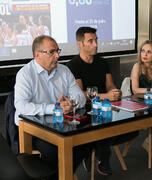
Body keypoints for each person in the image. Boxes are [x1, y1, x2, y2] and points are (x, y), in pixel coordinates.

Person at [14, 35, 93, 173]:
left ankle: (61, 175)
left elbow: (80, 96)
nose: (57, 56)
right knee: (54, 151)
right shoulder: (25, 74)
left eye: (58, 51)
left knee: (87, 141)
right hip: (34, 129)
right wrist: (54, 108)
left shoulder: (64, 70)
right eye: (52, 52)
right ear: (37, 55)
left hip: (61, 125)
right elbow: (21, 107)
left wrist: (71, 103)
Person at [67, 26, 138, 176]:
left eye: (96, 40)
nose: (96, 44)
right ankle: (102, 157)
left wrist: (115, 92)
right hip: (85, 110)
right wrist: (106, 96)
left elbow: (110, 85)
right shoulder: (73, 65)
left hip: (106, 107)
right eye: (90, 41)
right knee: (101, 127)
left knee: (133, 126)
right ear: (80, 44)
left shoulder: (102, 62)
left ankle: (91, 149)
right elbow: (80, 94)